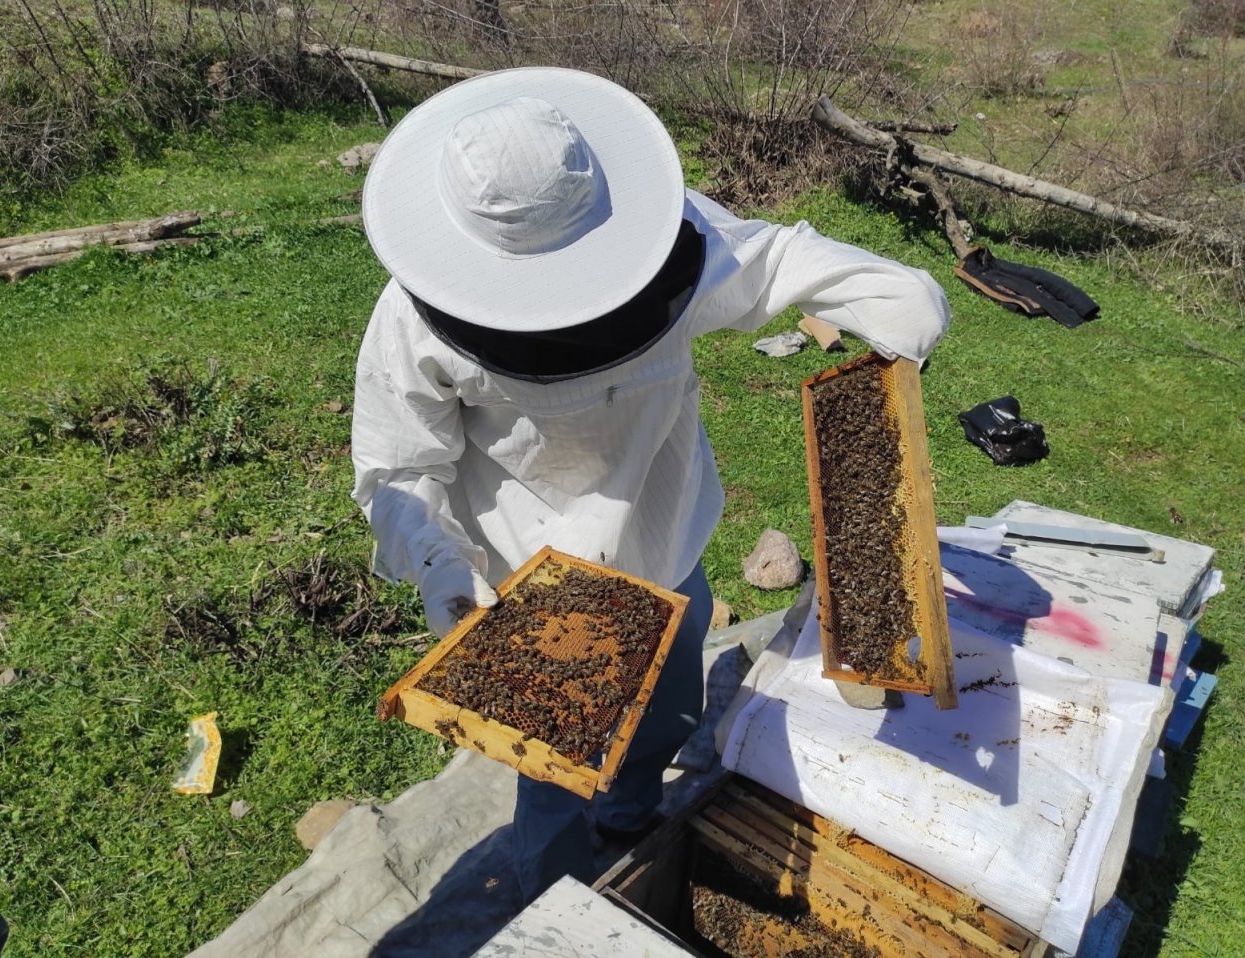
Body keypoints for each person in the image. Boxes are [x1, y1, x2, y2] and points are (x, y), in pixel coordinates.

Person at [351, 67, 949, 905]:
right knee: (555, 769)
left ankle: (633, 827)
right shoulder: (415, 318)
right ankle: (556, 898)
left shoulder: (676, 245)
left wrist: (894, 293)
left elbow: (781, 257)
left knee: (664, 715)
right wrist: (438, 564)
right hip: (535, 585)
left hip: (667, 542)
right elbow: (397, 465)